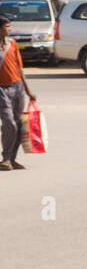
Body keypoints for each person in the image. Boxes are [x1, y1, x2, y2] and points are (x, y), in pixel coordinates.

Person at [0, 15, 36, 171]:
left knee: (19, 124)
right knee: (9, 122)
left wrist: (28, 91)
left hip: (18, 87)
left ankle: (11, 160)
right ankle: (6, 158)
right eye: (7, 26)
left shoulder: (12, 43)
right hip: (1, 89)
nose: (10, 29)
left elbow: (20, 68)